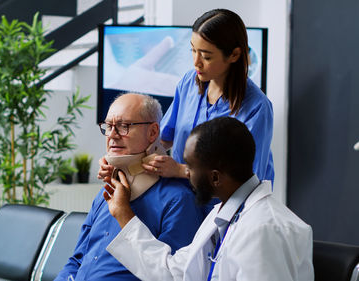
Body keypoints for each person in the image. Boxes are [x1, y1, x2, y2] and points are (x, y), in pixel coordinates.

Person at [104, 117, 314, 281]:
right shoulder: (225, 214)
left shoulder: (264, 229)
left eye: (191, 167)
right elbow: (174, 272)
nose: (186, 173)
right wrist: (124, 215)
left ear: (214, 177)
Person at [99, 9, 274, 186]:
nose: (196, 62)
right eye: (193, 50)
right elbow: (163, 138)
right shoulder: (189, 83)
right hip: (181, 197)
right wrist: (118, 161)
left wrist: (182, 170)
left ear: (234, 55)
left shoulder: (257, 108)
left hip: (225, 208)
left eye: (206, 56)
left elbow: (247, 179)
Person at [54, 93, 205, 281]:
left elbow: (173, 276)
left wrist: (124, 213)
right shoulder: (106, 193)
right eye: (108, 126)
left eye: (124, 126)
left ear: (152, 132)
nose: (112, 135)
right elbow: (76, 261)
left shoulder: (178, 200)